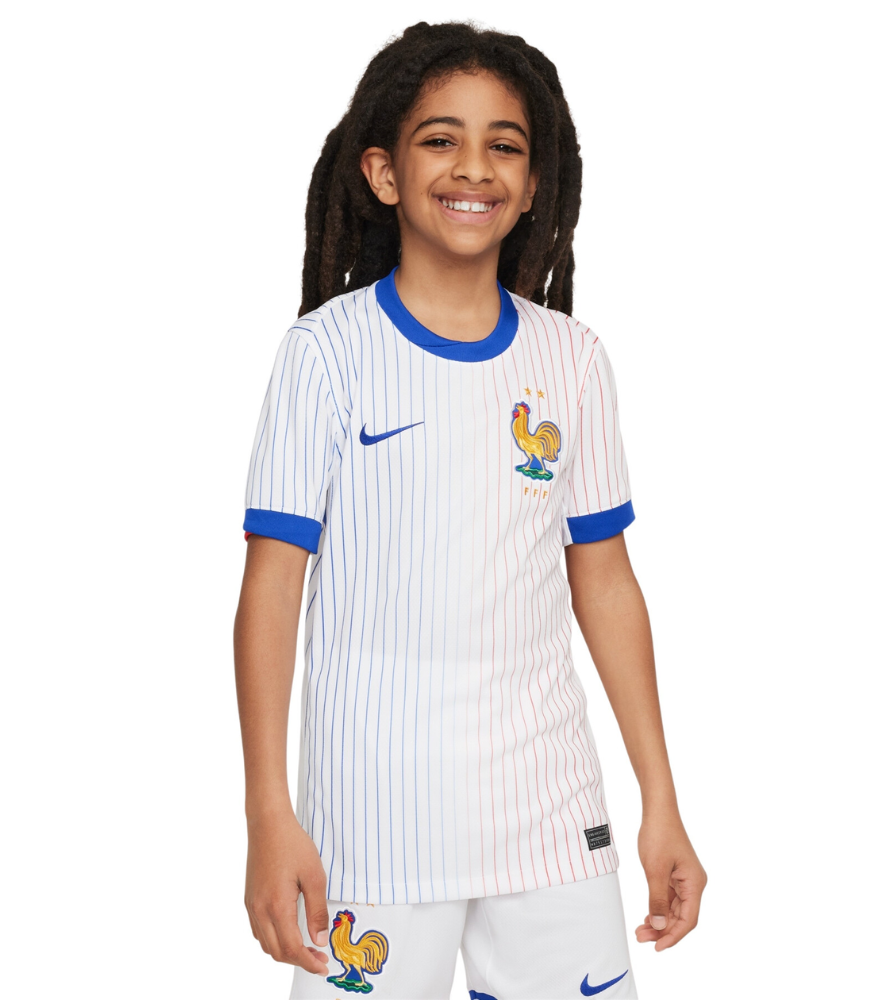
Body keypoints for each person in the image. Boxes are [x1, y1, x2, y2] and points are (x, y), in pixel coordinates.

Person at [233, 21, 706, 1000]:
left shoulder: (573, 361)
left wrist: (660, 799)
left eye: (505, 145)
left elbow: (605, 583)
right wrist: (269, 811)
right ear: (384, 172)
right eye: (440, 139)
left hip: (550, 822)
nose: (474, 167)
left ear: (533, 186)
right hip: (372, 830)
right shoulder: (325, 356)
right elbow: (272, 589)